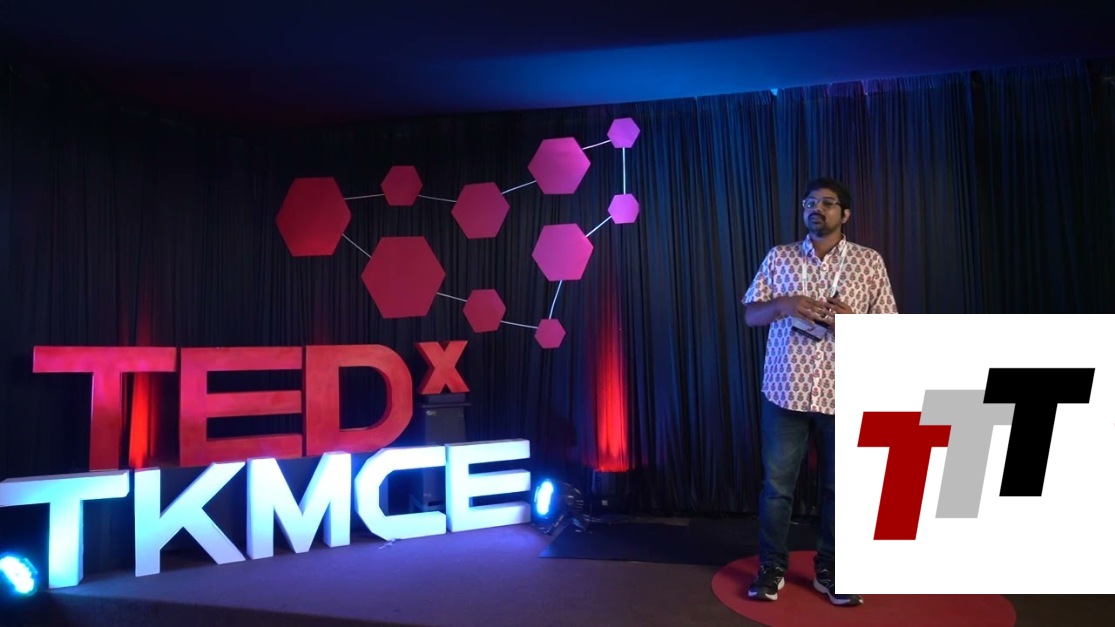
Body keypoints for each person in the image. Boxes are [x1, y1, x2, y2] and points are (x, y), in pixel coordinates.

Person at [741, 177, 897, 607]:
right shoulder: (780, 257)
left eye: (827, 203)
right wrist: (784, 304)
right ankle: (771, 567)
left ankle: (831, 570)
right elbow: (752, 314)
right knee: (777, 488)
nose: (816, 209)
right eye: (810, 202)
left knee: (839, 490)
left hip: (842, 394)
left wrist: (851, 323)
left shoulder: (868, 262)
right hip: (785, 390)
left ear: (844, 214)